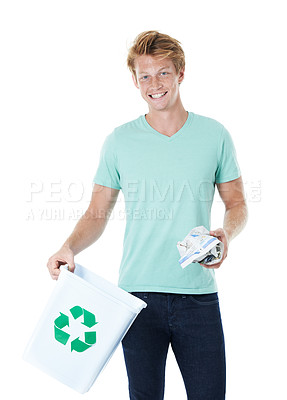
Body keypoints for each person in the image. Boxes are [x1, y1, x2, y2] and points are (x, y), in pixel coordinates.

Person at [47, 30, 248, 400]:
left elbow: (237, 204)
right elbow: (96, 212)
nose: (154, 84)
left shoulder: (215, 135)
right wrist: (68, 247)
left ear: (181, 73)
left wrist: (226, 234)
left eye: (164, 73)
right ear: (136, 81)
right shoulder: (120, 141)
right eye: (145, 76)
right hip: (137, 300)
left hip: (198, 297)